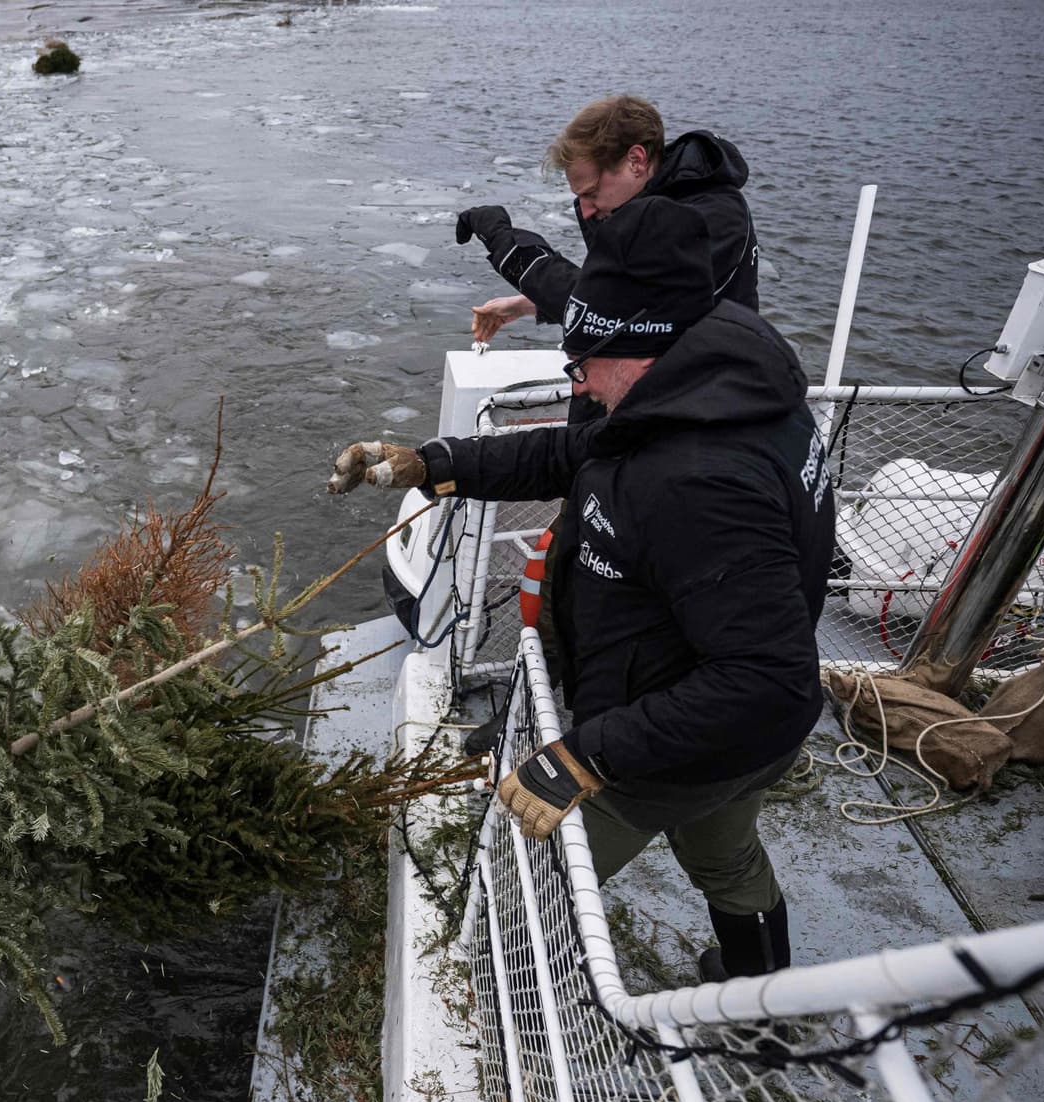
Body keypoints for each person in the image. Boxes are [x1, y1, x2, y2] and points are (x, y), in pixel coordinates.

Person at [328, 197, 833, 981]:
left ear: (645, 350)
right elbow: (570, 453)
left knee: (526, 883)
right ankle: (759, 997)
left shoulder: (699, 482)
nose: (580, 382)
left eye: (586, 362)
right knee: (726, 856)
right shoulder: (709, 386)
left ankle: (508, 1003)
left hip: (664, 745)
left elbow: (772, 680)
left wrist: (586, 756)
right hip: (731, 741)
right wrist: (432, 463)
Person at [455, 94, 760, 346]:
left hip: (713, 385)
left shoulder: (712, 219)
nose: (586, 210)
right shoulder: (633, 206)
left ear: (636, 161)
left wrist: (508, 246)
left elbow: (617, 311)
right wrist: (529, 305)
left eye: (592, 192)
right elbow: (615, 292)